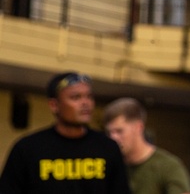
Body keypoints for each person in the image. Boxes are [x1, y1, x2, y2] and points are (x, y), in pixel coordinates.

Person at [0, 71, 131, 193]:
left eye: (89, 97)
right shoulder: (28, 149)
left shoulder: (108, 148)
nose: (85, 103)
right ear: (54, 105)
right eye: (76, 97)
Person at [103, 97, 190, 194]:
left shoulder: (168, 167)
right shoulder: (111, 167)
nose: (113, 138)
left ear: (138, 127)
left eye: (119, 131)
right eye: (109, 133)